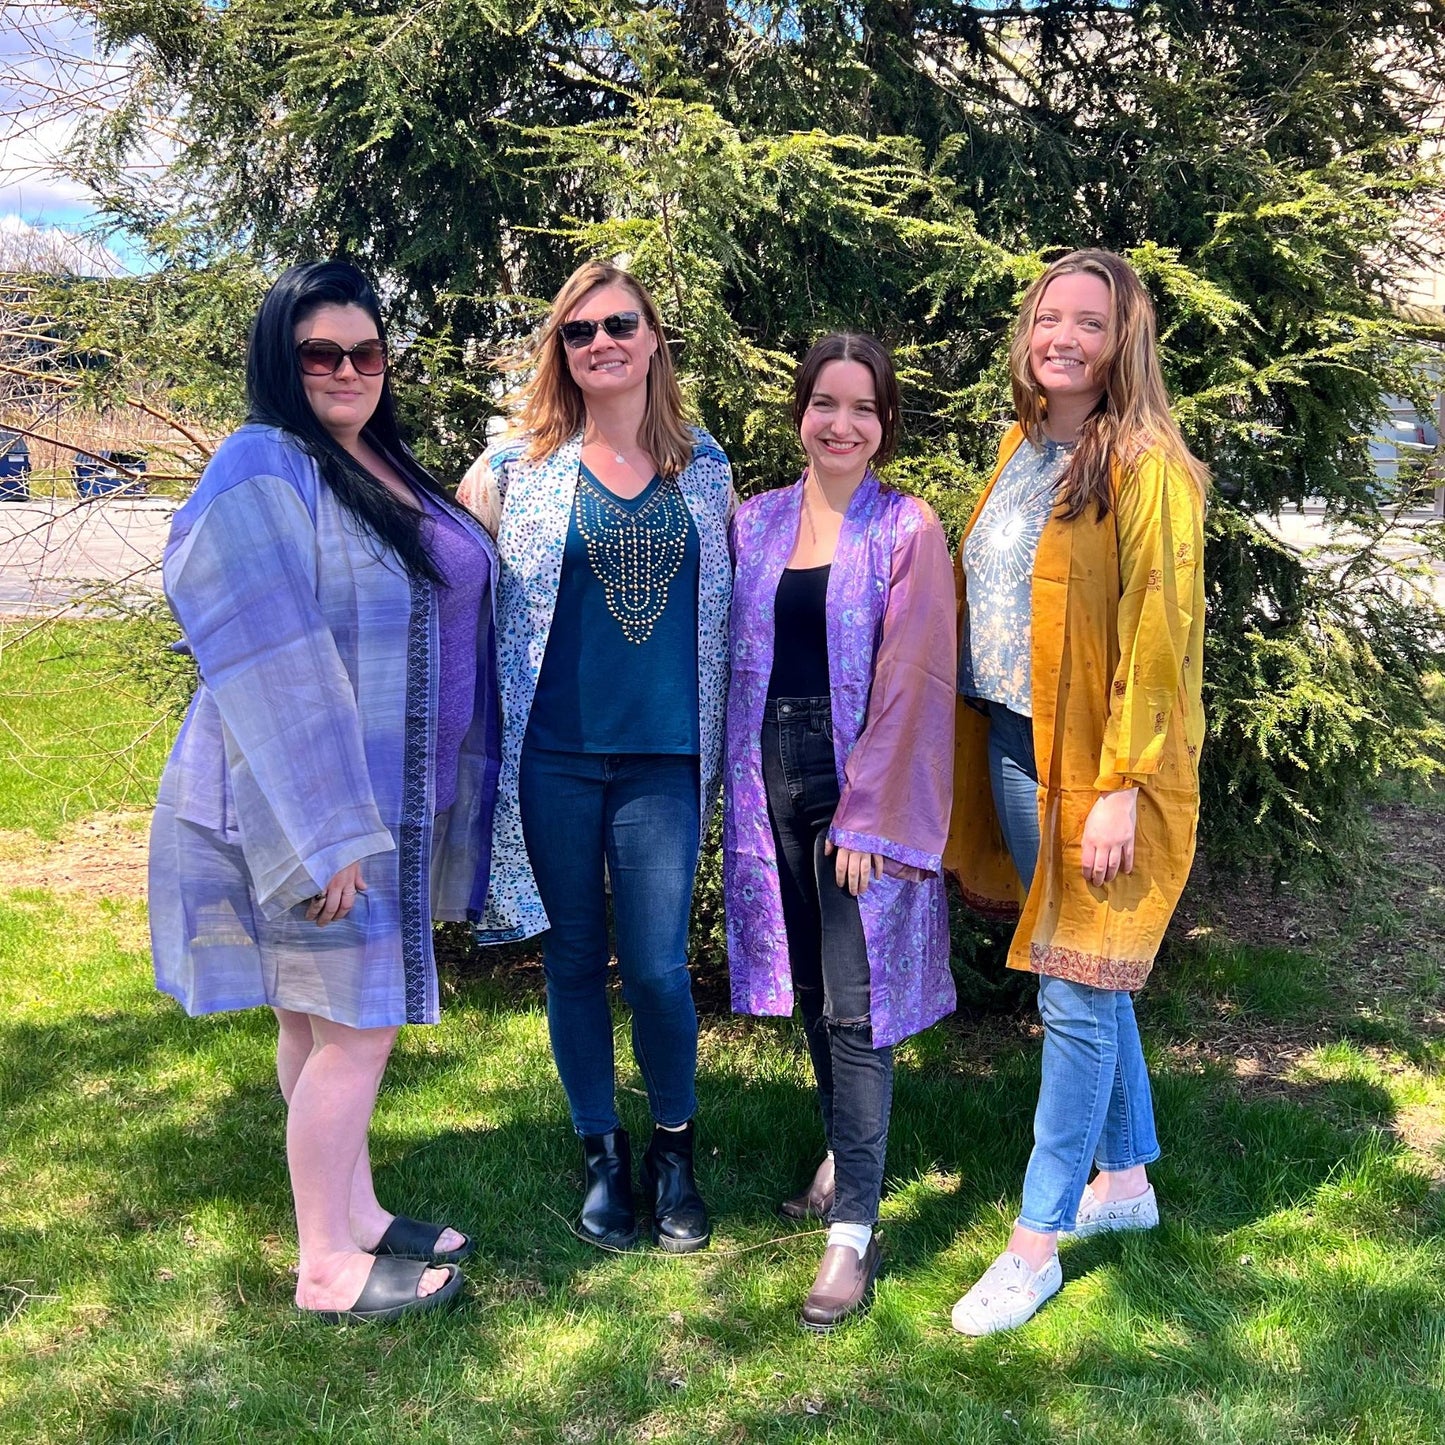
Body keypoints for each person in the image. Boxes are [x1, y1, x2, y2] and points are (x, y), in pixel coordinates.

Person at [149, 260, 501, 1323]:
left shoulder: (374, 459)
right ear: (280, 360)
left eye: (365, 351)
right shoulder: (266, 461)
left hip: (383, 798)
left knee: (315, 1017)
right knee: (359, 1026)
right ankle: (324, 1267)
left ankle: (351, 1211)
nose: (347, 369)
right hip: (309, 803)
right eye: (321, 353)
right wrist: (322, 830)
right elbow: (267, 640)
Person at [945, 249, 1208, 1335]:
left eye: (1084, 322)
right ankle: (1127, 1184)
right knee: (1089, 974)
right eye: (1046, 317)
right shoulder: (1023, 442)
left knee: (1070, 990)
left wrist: (1120, 786)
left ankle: (1034, 1239)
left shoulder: (1146, 466)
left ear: (1121, 340)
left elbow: (1160, 636)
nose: (1059, 336)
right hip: (1016, 741)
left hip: (1097, 767)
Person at [457, 261, 733, 1254]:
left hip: (662, 756)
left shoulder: (704, 467)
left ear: (654, 337)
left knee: (659, 966)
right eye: (579, 332)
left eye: (620, 323)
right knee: (573, 958)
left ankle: (673, 1150)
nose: (602, 342)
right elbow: (452, 600)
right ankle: (602, 1156)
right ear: (560, 353)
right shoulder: (512, 470)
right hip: (555, 756)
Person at [724, 333, 957, 1330]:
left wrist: (869, 810)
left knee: (857, 1005)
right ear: (800, 411)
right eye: (825, 402)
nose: (841, 423)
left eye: (862, 408)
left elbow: (912, 679)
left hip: (854, 772)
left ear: (885, 423)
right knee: (816, 994)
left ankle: (850, 1236)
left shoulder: (906, 528)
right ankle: (836, 1148)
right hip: (766, 773)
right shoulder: (756, 519)